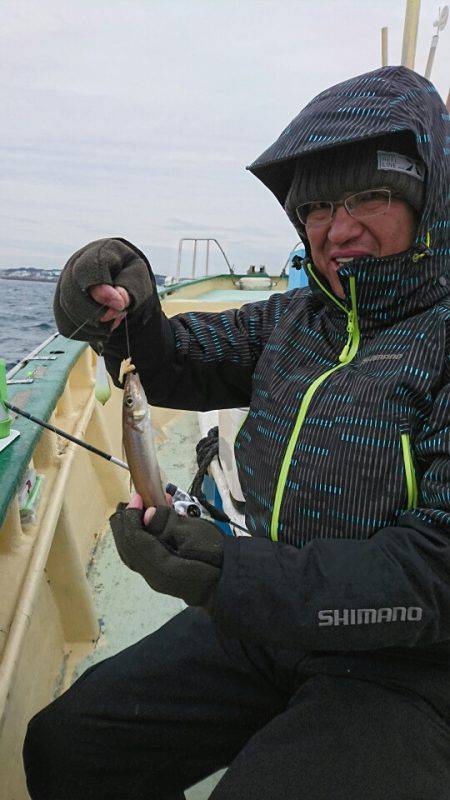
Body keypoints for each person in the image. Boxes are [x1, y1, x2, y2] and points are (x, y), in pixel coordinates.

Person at [23, 65, 450, 800]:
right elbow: (172, 364)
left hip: (408, 659)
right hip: (268, 618)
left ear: (430, 202)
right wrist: (124, 312)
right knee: (70, 746)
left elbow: (435, 571)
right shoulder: (293, 321)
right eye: (318, 207)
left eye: (370, 198)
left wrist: (232, 572)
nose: (338, 229)